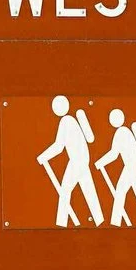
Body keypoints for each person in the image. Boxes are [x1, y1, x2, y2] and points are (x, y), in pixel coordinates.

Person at [36, 95, 101, 225]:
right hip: (83, 159)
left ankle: (61, 223)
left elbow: (59, 146)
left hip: (77, 161)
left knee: (65, 191)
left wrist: (43, 156)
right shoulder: (72, 120)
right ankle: (99, 220)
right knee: (89, 192)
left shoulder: (65, 121)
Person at [96, 107, 136, 226]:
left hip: (131, 166)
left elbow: (114, 154)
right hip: (135, 165)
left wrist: (100, 162)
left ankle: (115, 222)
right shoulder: (126, 131)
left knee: (120, 191)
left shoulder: (120, 133)